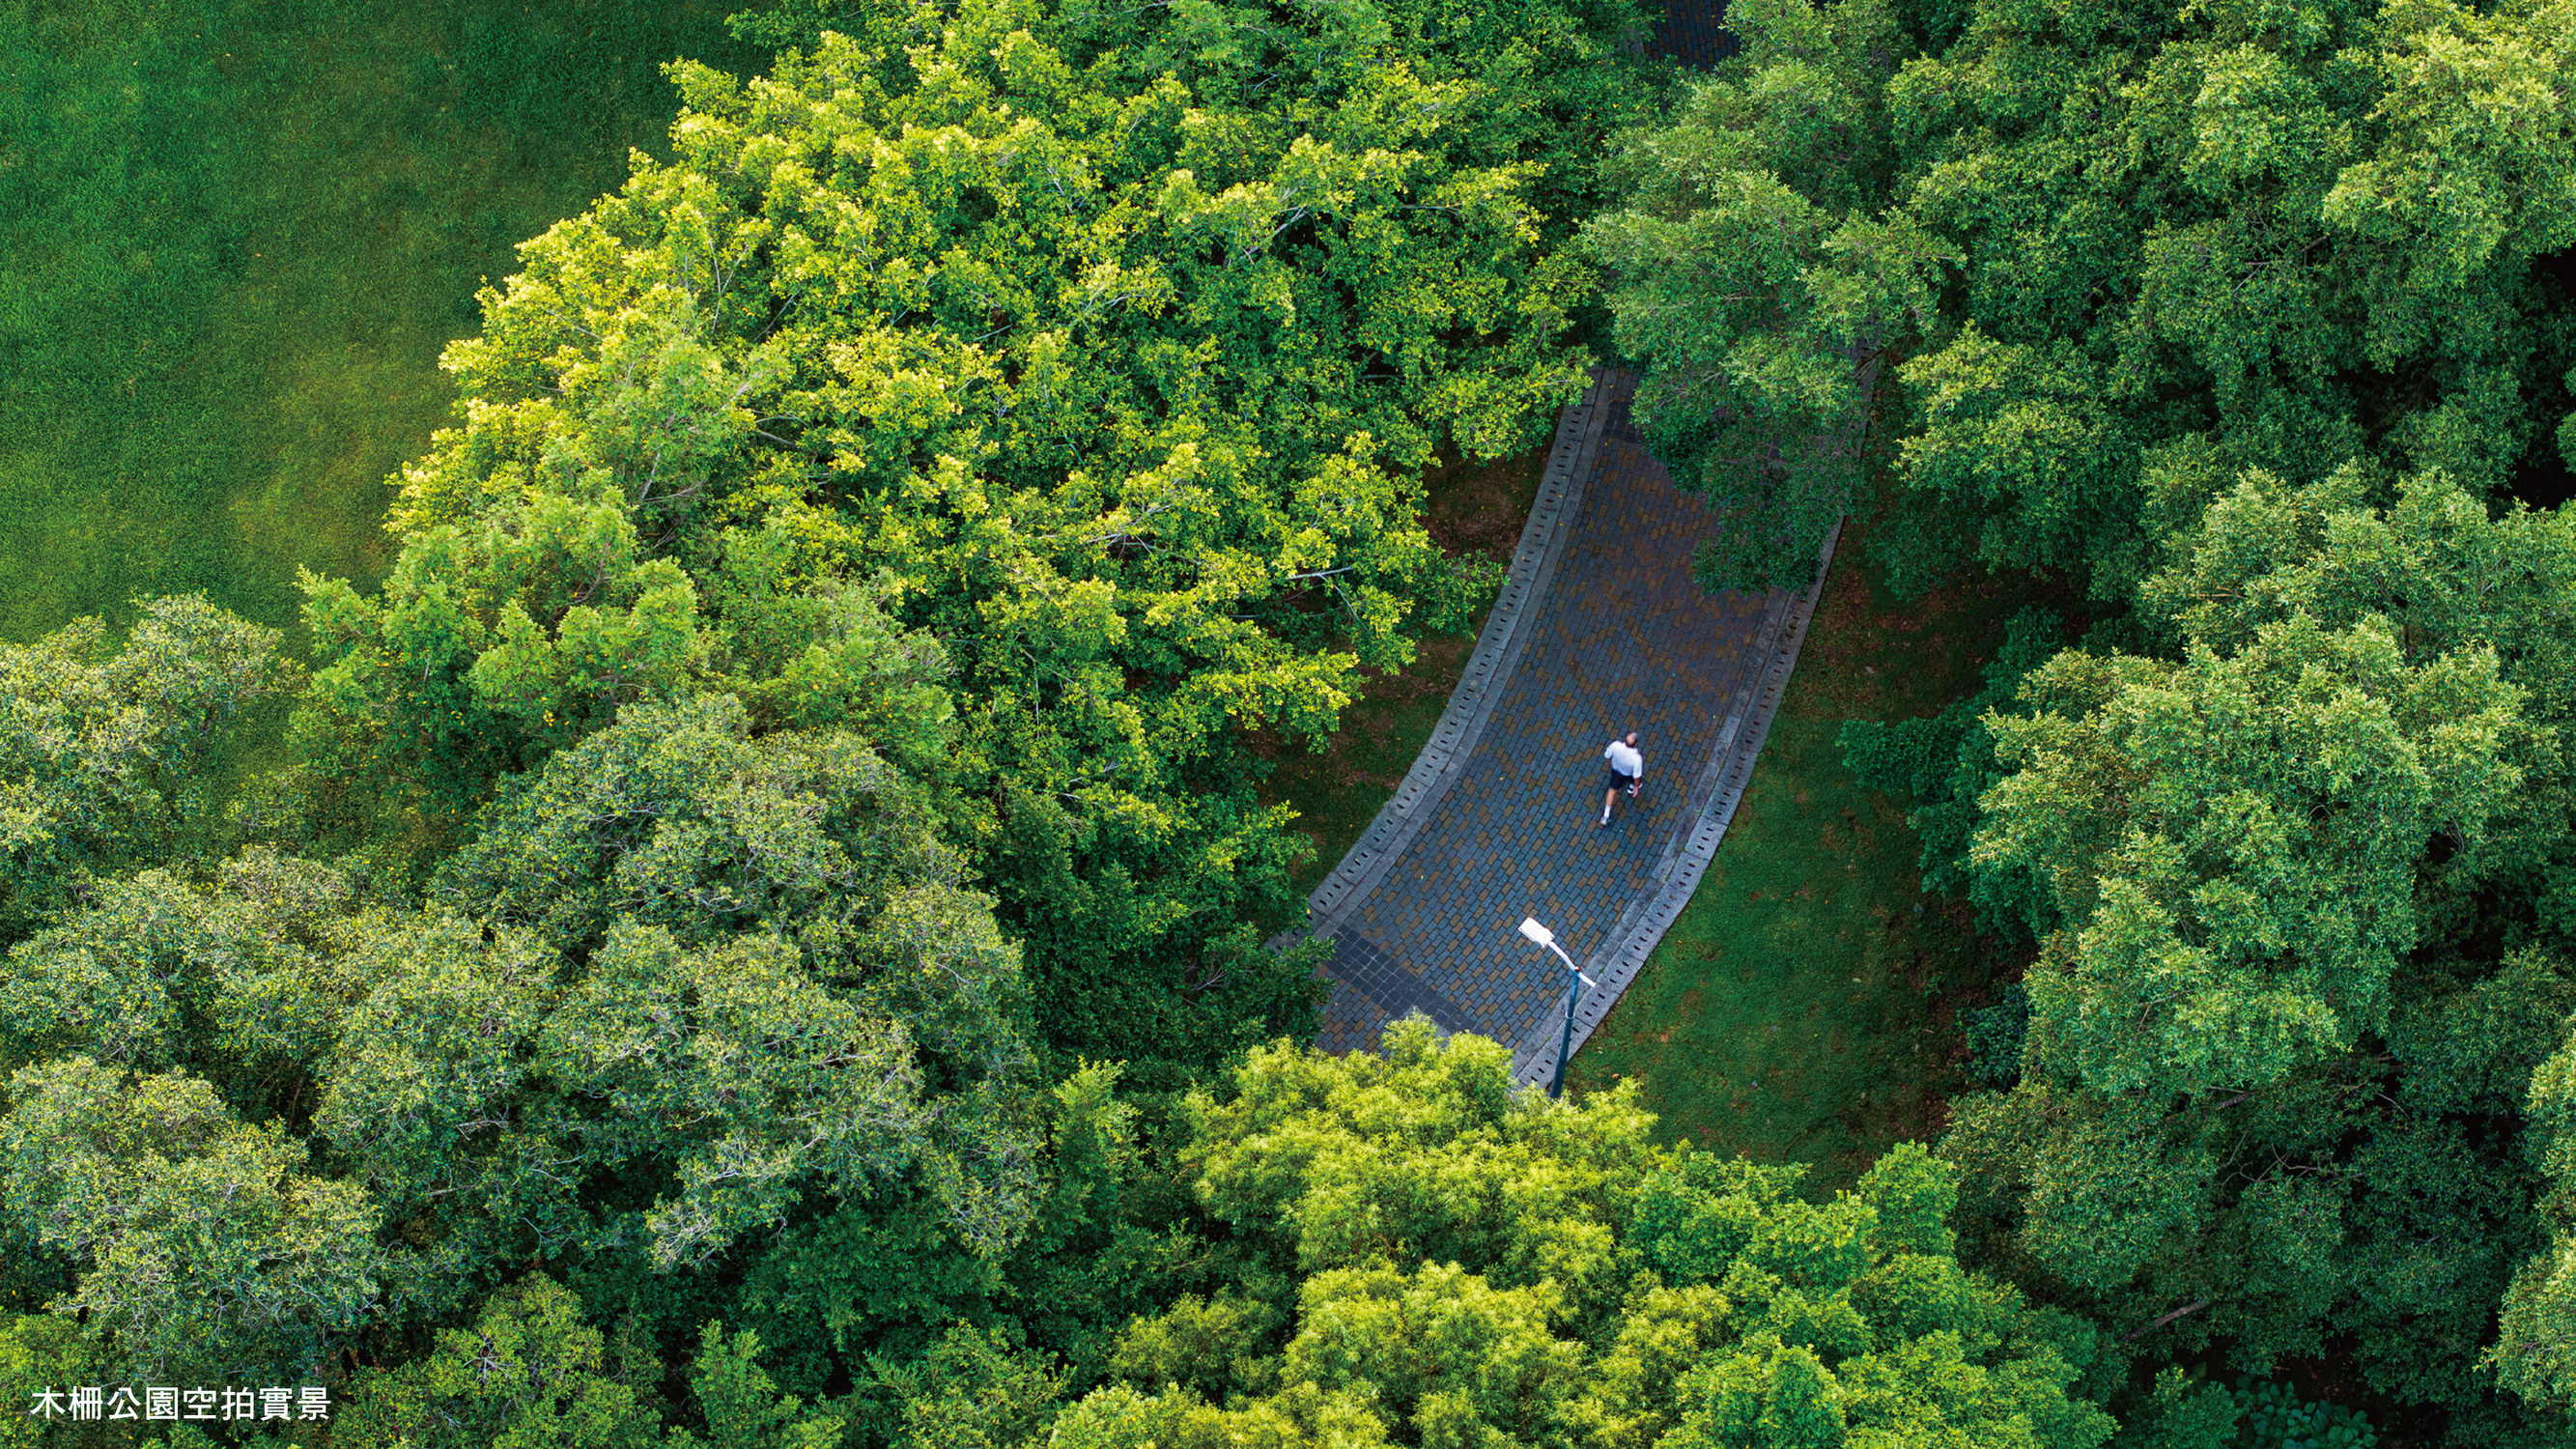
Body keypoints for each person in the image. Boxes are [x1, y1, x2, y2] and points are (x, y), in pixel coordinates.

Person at [1601, 731, 1642, 826]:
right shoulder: (1637, 759)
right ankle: (1631, 788)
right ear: (1636, 744)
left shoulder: (1615, 746)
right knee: (1635, 781)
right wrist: (1636, 786)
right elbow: (1636, 776)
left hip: (1616, 771)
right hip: (1629, 774)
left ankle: (1606, 815)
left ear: (1624, 739)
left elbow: (1607, 755)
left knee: (1612, 790)